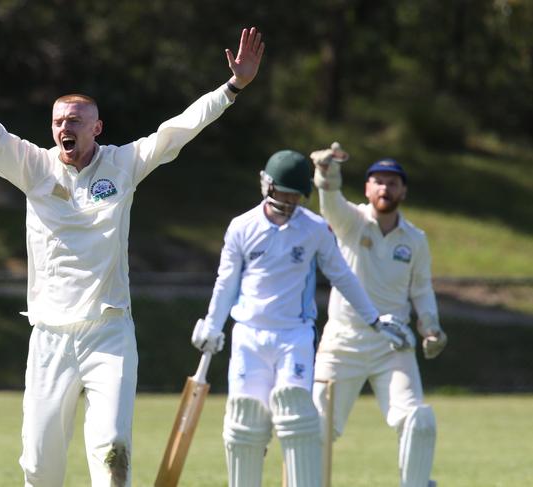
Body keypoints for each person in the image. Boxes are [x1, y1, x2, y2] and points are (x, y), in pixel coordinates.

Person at [0, 26, 264, 487]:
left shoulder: (123, 164)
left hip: (108, 332)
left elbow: (178, 128)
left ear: (96, 127)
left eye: (77, 120)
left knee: (112, 453)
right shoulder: (33, 167)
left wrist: (233, 87)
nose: (67, 127)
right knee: (40, 466)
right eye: (60, 121)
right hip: (50, 335)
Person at [191, 150, 412, 487]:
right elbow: (226, 282)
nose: (289, 201)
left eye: (295, 195)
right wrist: (212, 325)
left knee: (296, 418)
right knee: (246, 425)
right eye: (283, 193)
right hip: (249, 335)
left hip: (293, 336)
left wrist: (374, 320)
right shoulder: (242, 227)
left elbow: (343, 275)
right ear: (266, 184)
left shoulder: (314, 229)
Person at [310, 143, 449, 487]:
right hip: (343, 341)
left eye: (393, 182)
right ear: (368, 188)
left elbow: (420, 289)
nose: (385, 188)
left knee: (416, 420)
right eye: (379, 182)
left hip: (393, 344)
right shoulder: (351, 222)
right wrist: (327, 172)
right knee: (316, 428)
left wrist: (431, 328)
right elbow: (330, 202)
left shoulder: (415, 239)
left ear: (403, 190)